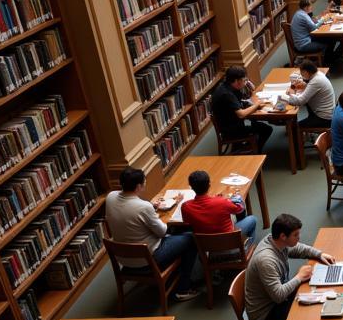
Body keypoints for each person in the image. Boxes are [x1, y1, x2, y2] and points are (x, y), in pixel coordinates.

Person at [244, 213, 335, 320]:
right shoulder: (266, 261)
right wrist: (299, 277)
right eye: (296, 235)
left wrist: (318, 254)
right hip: (266, 314)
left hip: (276, 301)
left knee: (319, 298)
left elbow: (297, 248)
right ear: (282, 236)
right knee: (317, 319)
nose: (299, 238)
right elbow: (278, 295)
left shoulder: (275, 241)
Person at [105, 166, 200, 302]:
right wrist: (151, 210)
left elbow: (128, 210)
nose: (145, 184)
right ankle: (183, 289)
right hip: (148, 258)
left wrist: (151, 207)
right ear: (138, 186)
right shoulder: (143, 207)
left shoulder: (111, 197)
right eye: (144, 182)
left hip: (123, 258)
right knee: (190, 238)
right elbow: (162, 232)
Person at [180, 168, 256, 243]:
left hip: (206, 244)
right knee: (252, 219)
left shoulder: (185, 206)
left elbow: (187, 223)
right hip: (229, 241)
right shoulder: (222, 202)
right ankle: (248, 245)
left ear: (191, 187)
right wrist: (236, 198)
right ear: (209, 185)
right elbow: (240, 208)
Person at [211, 65, 273, 152]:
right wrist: (256, 105)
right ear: (236, 81)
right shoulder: (227, 94)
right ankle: (255, 152)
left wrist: (251, 89)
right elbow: (241, 114)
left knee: (255, 123)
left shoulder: (226, 86)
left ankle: (247, 146)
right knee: (266, 129)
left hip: (231, 122)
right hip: (231, 130)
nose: (246, 82)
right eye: (244, 80)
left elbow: (238, 101)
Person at [286, 59, 335, 128]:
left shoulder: (316, 81)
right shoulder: (318, 74)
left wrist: (285, 97)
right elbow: (309, 88)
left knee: (294, 127)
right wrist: (305, 85)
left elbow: (300, 101)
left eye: (302, 74)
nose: (302, 76)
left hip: (324, 118)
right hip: (325, 112)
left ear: (306, 72)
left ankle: (298, 136)